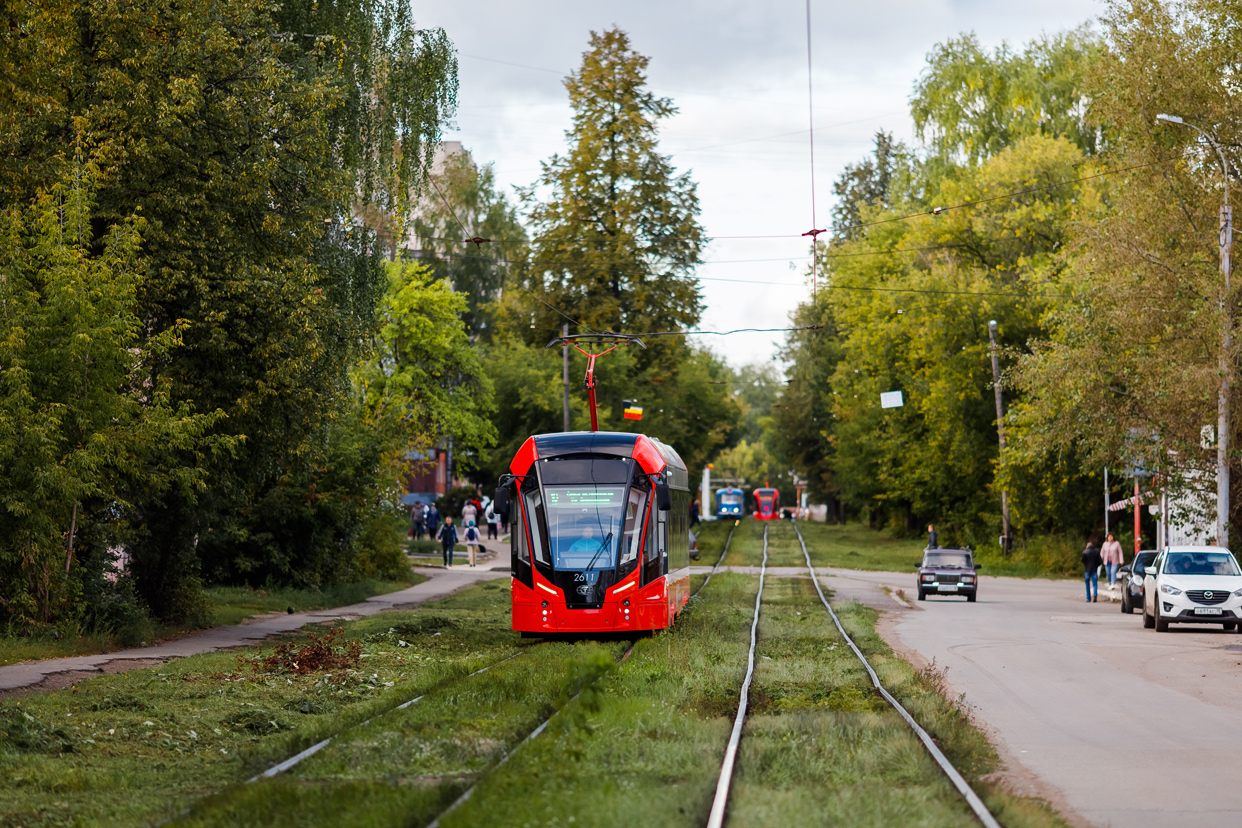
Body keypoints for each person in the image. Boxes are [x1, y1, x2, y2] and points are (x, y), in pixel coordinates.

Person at [1082, 537, 1103, 603]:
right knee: (1095, 584)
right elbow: (1100, 561)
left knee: (1087, 584)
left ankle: (1088, 598)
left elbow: (1083, 560)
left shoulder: (1085, 552)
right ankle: (1095, 595)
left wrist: (1086, 565)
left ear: (1087, 546)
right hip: (1094, 570)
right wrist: (1096, 566)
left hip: (1087, 570)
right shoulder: (1096, 551)